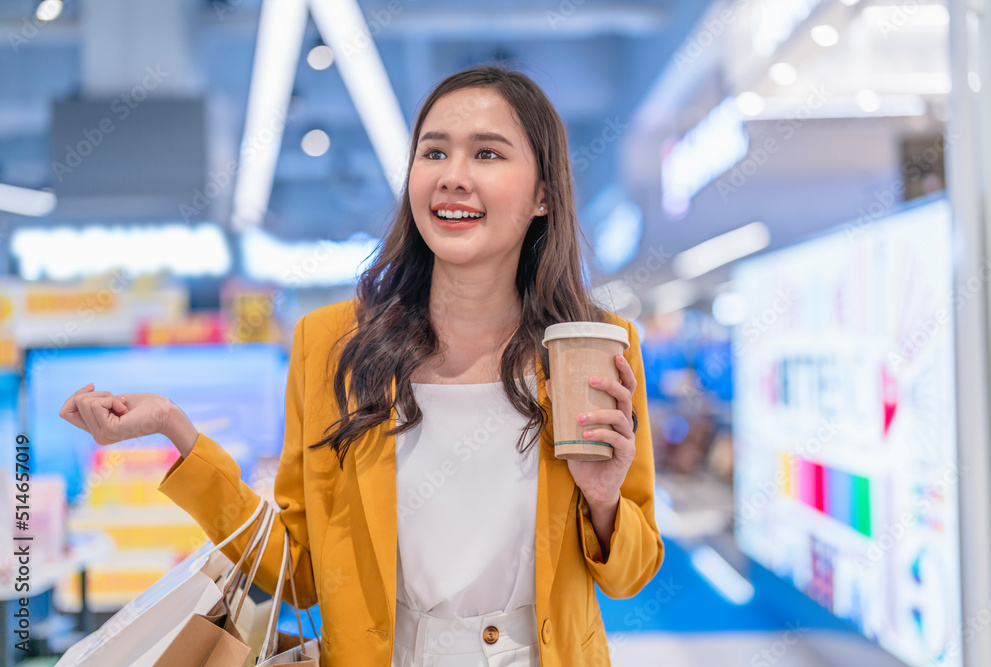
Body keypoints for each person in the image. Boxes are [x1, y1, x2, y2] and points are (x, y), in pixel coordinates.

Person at [59, 64, 664, 667]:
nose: (452, 177)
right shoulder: (333, 347)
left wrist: (606, 500)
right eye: (433, 152)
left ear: (543, 195)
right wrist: (177, 431)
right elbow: (299, 574)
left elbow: (629, 576)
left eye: (487, 154)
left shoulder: (592, 347)